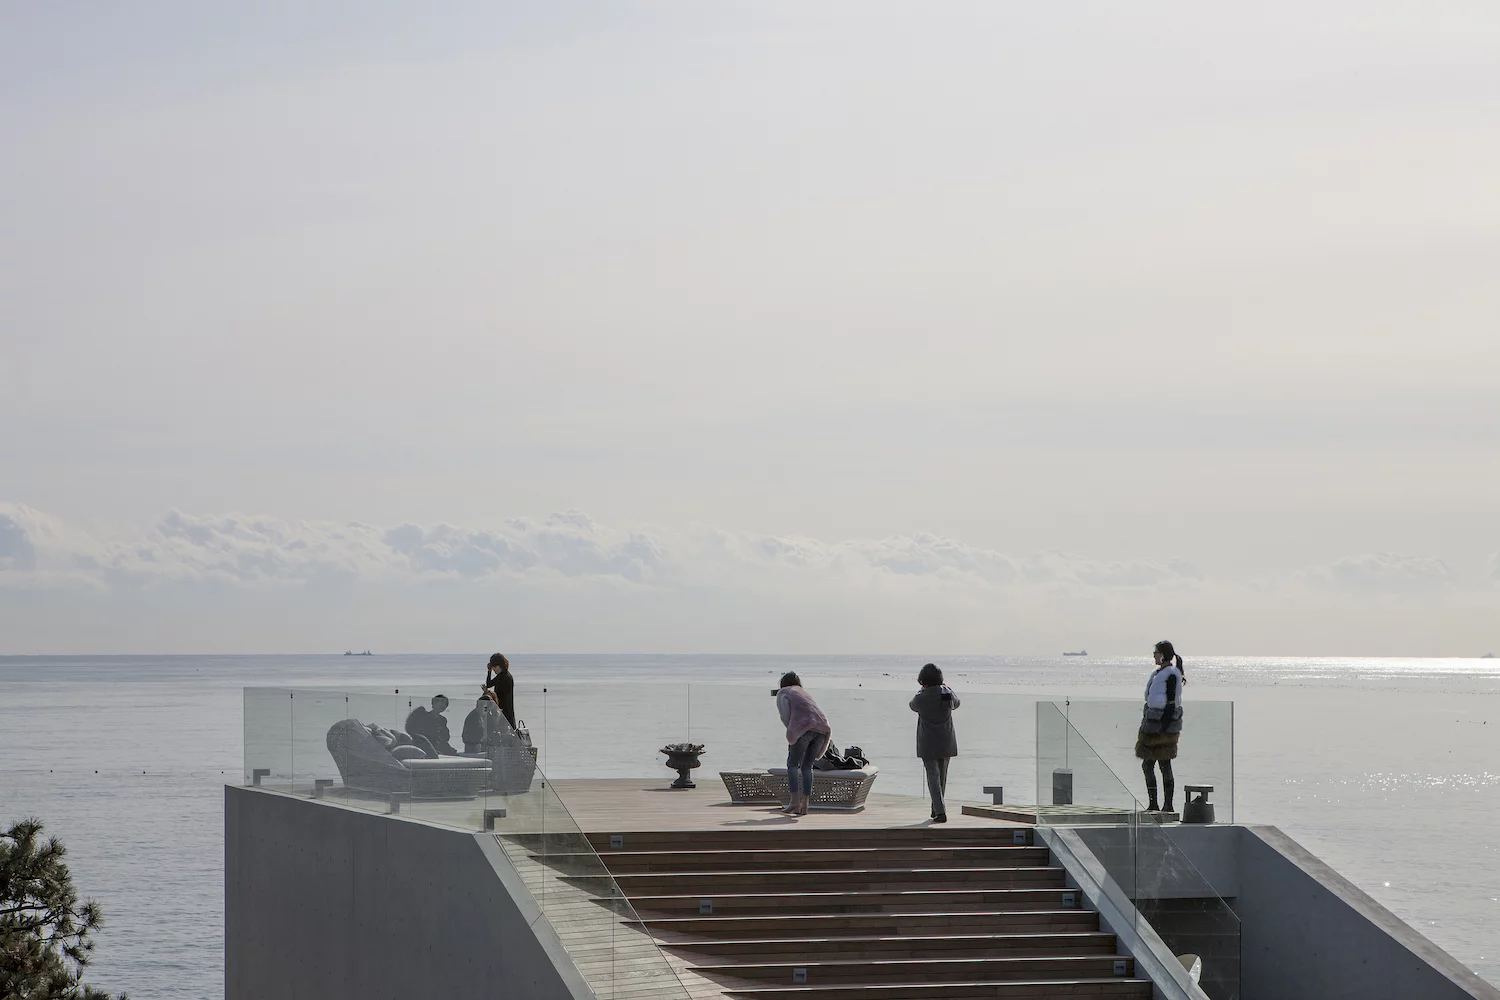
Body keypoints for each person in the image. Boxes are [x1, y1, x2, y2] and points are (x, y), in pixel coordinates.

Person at [1135, 640, 1186, 812]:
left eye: (1156, 652)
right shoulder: (1159, 673)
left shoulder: (1171, 674)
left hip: (1162, 725)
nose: (1154, 655)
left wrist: (1163, 727)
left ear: (1163, 654)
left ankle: (1166, 805)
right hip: (1152, 724)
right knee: (1150, 765)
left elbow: (1171, 702)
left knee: (1162, 764)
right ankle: (1155, 804)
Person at [909, 662, 960, 823]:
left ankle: (939, 811)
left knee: (933, 776)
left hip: (928, 742)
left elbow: (912, 706)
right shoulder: (947, 694)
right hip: (946, 740)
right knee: (942, 776)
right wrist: (948, 688)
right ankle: (937, 809)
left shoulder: (921, 697)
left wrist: (922, 690)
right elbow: (957, 704)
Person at [775, 672, 831, 816]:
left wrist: (792, 732)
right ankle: (805, 804)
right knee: (807, 767)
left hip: (804, 729)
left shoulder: (784, 693)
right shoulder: (804, 694)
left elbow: (785, 715)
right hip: (822, 729)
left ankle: (794, 801)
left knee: (792, 764)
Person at [484, 653, 516, 730]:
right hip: (500, 711)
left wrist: (492, 695)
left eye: (495, 666)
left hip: (505, 712)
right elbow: (489, 684)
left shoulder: (506, 677)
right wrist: (489, 671)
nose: (494, 669)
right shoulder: (500, 676)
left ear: (500, 665)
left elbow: (502, 696)